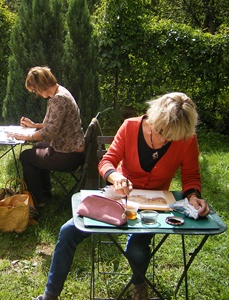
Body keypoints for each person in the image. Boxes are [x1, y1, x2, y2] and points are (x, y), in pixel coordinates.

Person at [33, 92, 210, 300]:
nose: (164, 140)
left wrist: (192, 196)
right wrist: (115, 176)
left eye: (172, 137)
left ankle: (138, 284)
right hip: (119, 198)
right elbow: (106, 161)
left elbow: (191, 175)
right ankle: (49, 296)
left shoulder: (187, 139)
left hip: (154, 207)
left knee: (136, 248)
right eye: (162, 131)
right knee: (68, 230)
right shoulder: (130, 127)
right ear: (154, 117)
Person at [8, 66, 85, 207]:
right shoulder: (60, 93)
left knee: (26, 156)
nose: (34, 93)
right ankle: (45, 192)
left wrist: (23, 136)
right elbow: (52, 124)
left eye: (33, 89)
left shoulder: (59, 99)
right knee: (37, 147)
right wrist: (34, 125)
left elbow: (50, 133)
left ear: (40, 85)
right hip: (71, 148)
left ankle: (37, 200)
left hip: (70, 155)